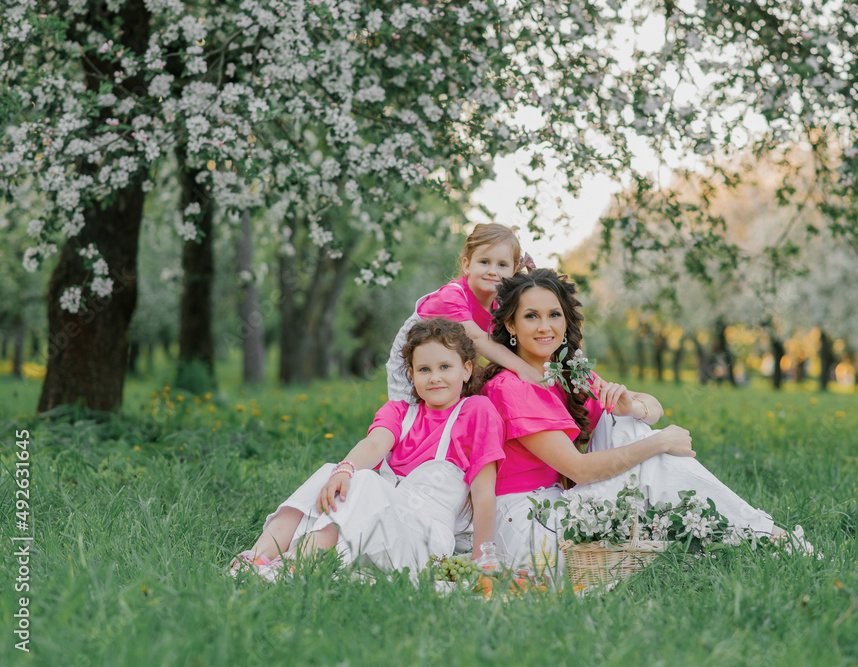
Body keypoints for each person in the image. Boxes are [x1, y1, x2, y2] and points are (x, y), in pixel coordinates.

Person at [480, 269, 808, 570]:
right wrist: (659, 442)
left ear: (566, 321)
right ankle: (769, 536)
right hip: (527, 525)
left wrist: (631, 406)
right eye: (531, 316)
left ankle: (757, 536)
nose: (544, 326)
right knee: (651, 453)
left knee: (625, 423)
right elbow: (577, 469)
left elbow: (653, 407)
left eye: (554, 314)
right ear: (511, 325)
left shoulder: (568, 374)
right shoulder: (511, 387)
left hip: (560, 506)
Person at [231, 319, 505, 581]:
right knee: (333, 472)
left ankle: (297, 563)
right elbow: (374, 444)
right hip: (376, 531)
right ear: (411, 374)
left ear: (467, 369)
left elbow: (483, 493)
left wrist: (481, 560)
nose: (435, 378)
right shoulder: (399, 412)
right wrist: (344, 470)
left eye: (445, 367)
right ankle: (257, 556)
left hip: (424, 539)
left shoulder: (476, 412)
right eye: (424, 370)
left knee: (362, 479)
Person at [385, 223, 543, 403]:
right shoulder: (451, 297)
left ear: (513, 270)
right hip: (413, 366)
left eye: (502, 265)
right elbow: (477, 338)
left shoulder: (499, 304)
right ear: (467, 265)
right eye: (484, 262)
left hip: (446, 364)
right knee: (411, 413)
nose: (492, 271)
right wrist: (523, 368)